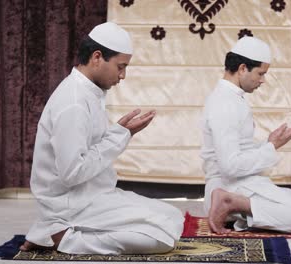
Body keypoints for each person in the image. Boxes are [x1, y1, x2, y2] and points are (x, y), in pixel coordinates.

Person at [20, 22, 184, 255]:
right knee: (161, 239)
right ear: (97, 57)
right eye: (120, 66)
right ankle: (62, 237)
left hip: (93, 196)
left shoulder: (89, 92)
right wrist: (120, 136)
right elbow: (72, 173)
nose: (123, 75)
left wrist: (120, 132)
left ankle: (56, 230)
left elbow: (90, 149)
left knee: (173, 218)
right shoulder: (74, 101)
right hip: (72, 204)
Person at [201, 36, 291, 234]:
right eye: (260, 73)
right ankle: (231, 203)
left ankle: (236, 205)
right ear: (242, 68)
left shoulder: (230, 97)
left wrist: (269, 143)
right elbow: (230, 166)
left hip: (237, 184)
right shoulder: (225, 104)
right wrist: (271, 148)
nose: (263, 80)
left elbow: (238, 150)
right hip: (229, 186)